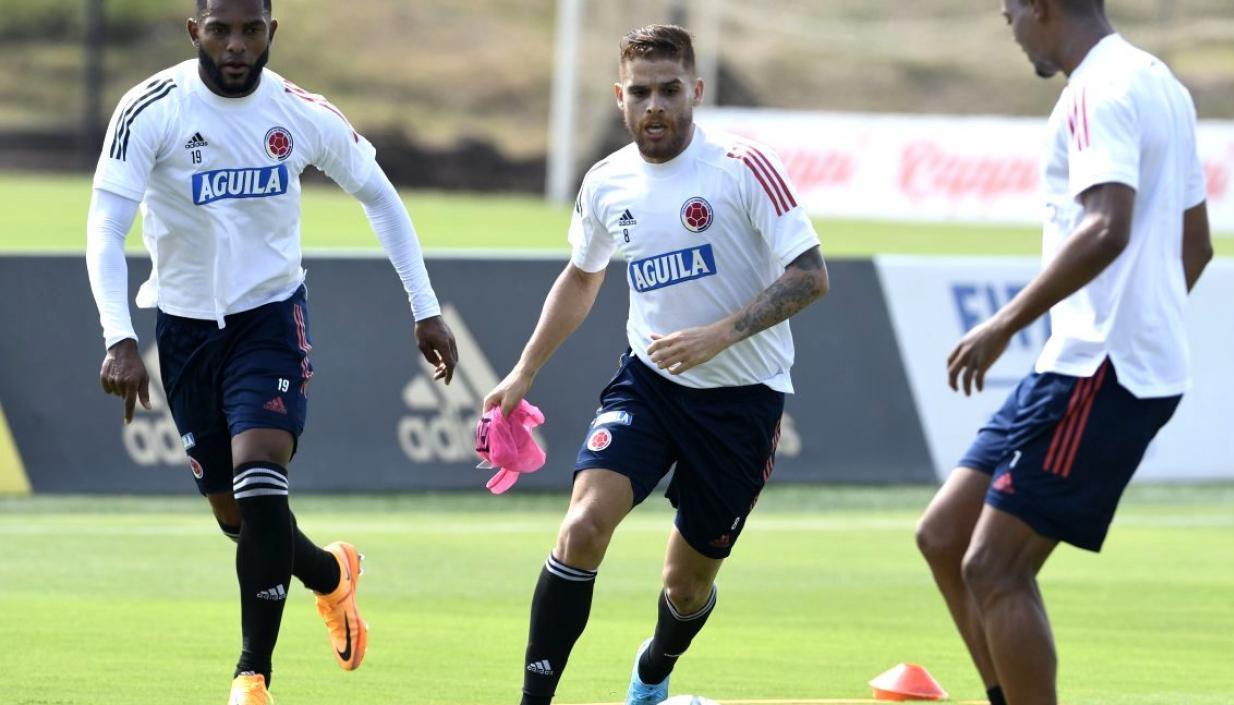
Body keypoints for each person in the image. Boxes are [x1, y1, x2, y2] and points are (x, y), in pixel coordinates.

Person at [86, 1, 459, 703]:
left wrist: (425, 306)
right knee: (239, 517)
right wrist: (119, 335)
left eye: (250, 30)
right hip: (186, 331)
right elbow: (104, 227)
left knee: (261, 476)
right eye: (220, 29)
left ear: (271, 32)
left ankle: (252, 674)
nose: (236, 45)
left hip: (270, 321)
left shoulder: (300, 112)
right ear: (192, 30)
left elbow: (379, 196)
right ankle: (330, 574)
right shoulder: (151, 109)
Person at [481, 24, 829, 705]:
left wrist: (720, 335)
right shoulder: (607, 183)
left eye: (670, 91)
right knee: (582, 525)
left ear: (696, 91)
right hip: (650, 384)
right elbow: (582, 278)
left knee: (687, 583)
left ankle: (651, 677)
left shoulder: (742, 167)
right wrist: (524, 370)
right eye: (640, 93)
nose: (655, 107)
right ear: (619, 97)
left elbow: (811, 275)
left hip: (742, 398)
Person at [914, 2, 1212, 704]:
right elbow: (1194, 245)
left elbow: (1108, 226)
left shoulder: (1095, 88)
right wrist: (1147, 317)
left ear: (1043, 7)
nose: (1011, 27)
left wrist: (1004, 323)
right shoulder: (1159, 82)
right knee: (945, 538)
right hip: (1082, 357)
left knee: (994, 567)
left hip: (1100, 364)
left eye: (1012, 12)